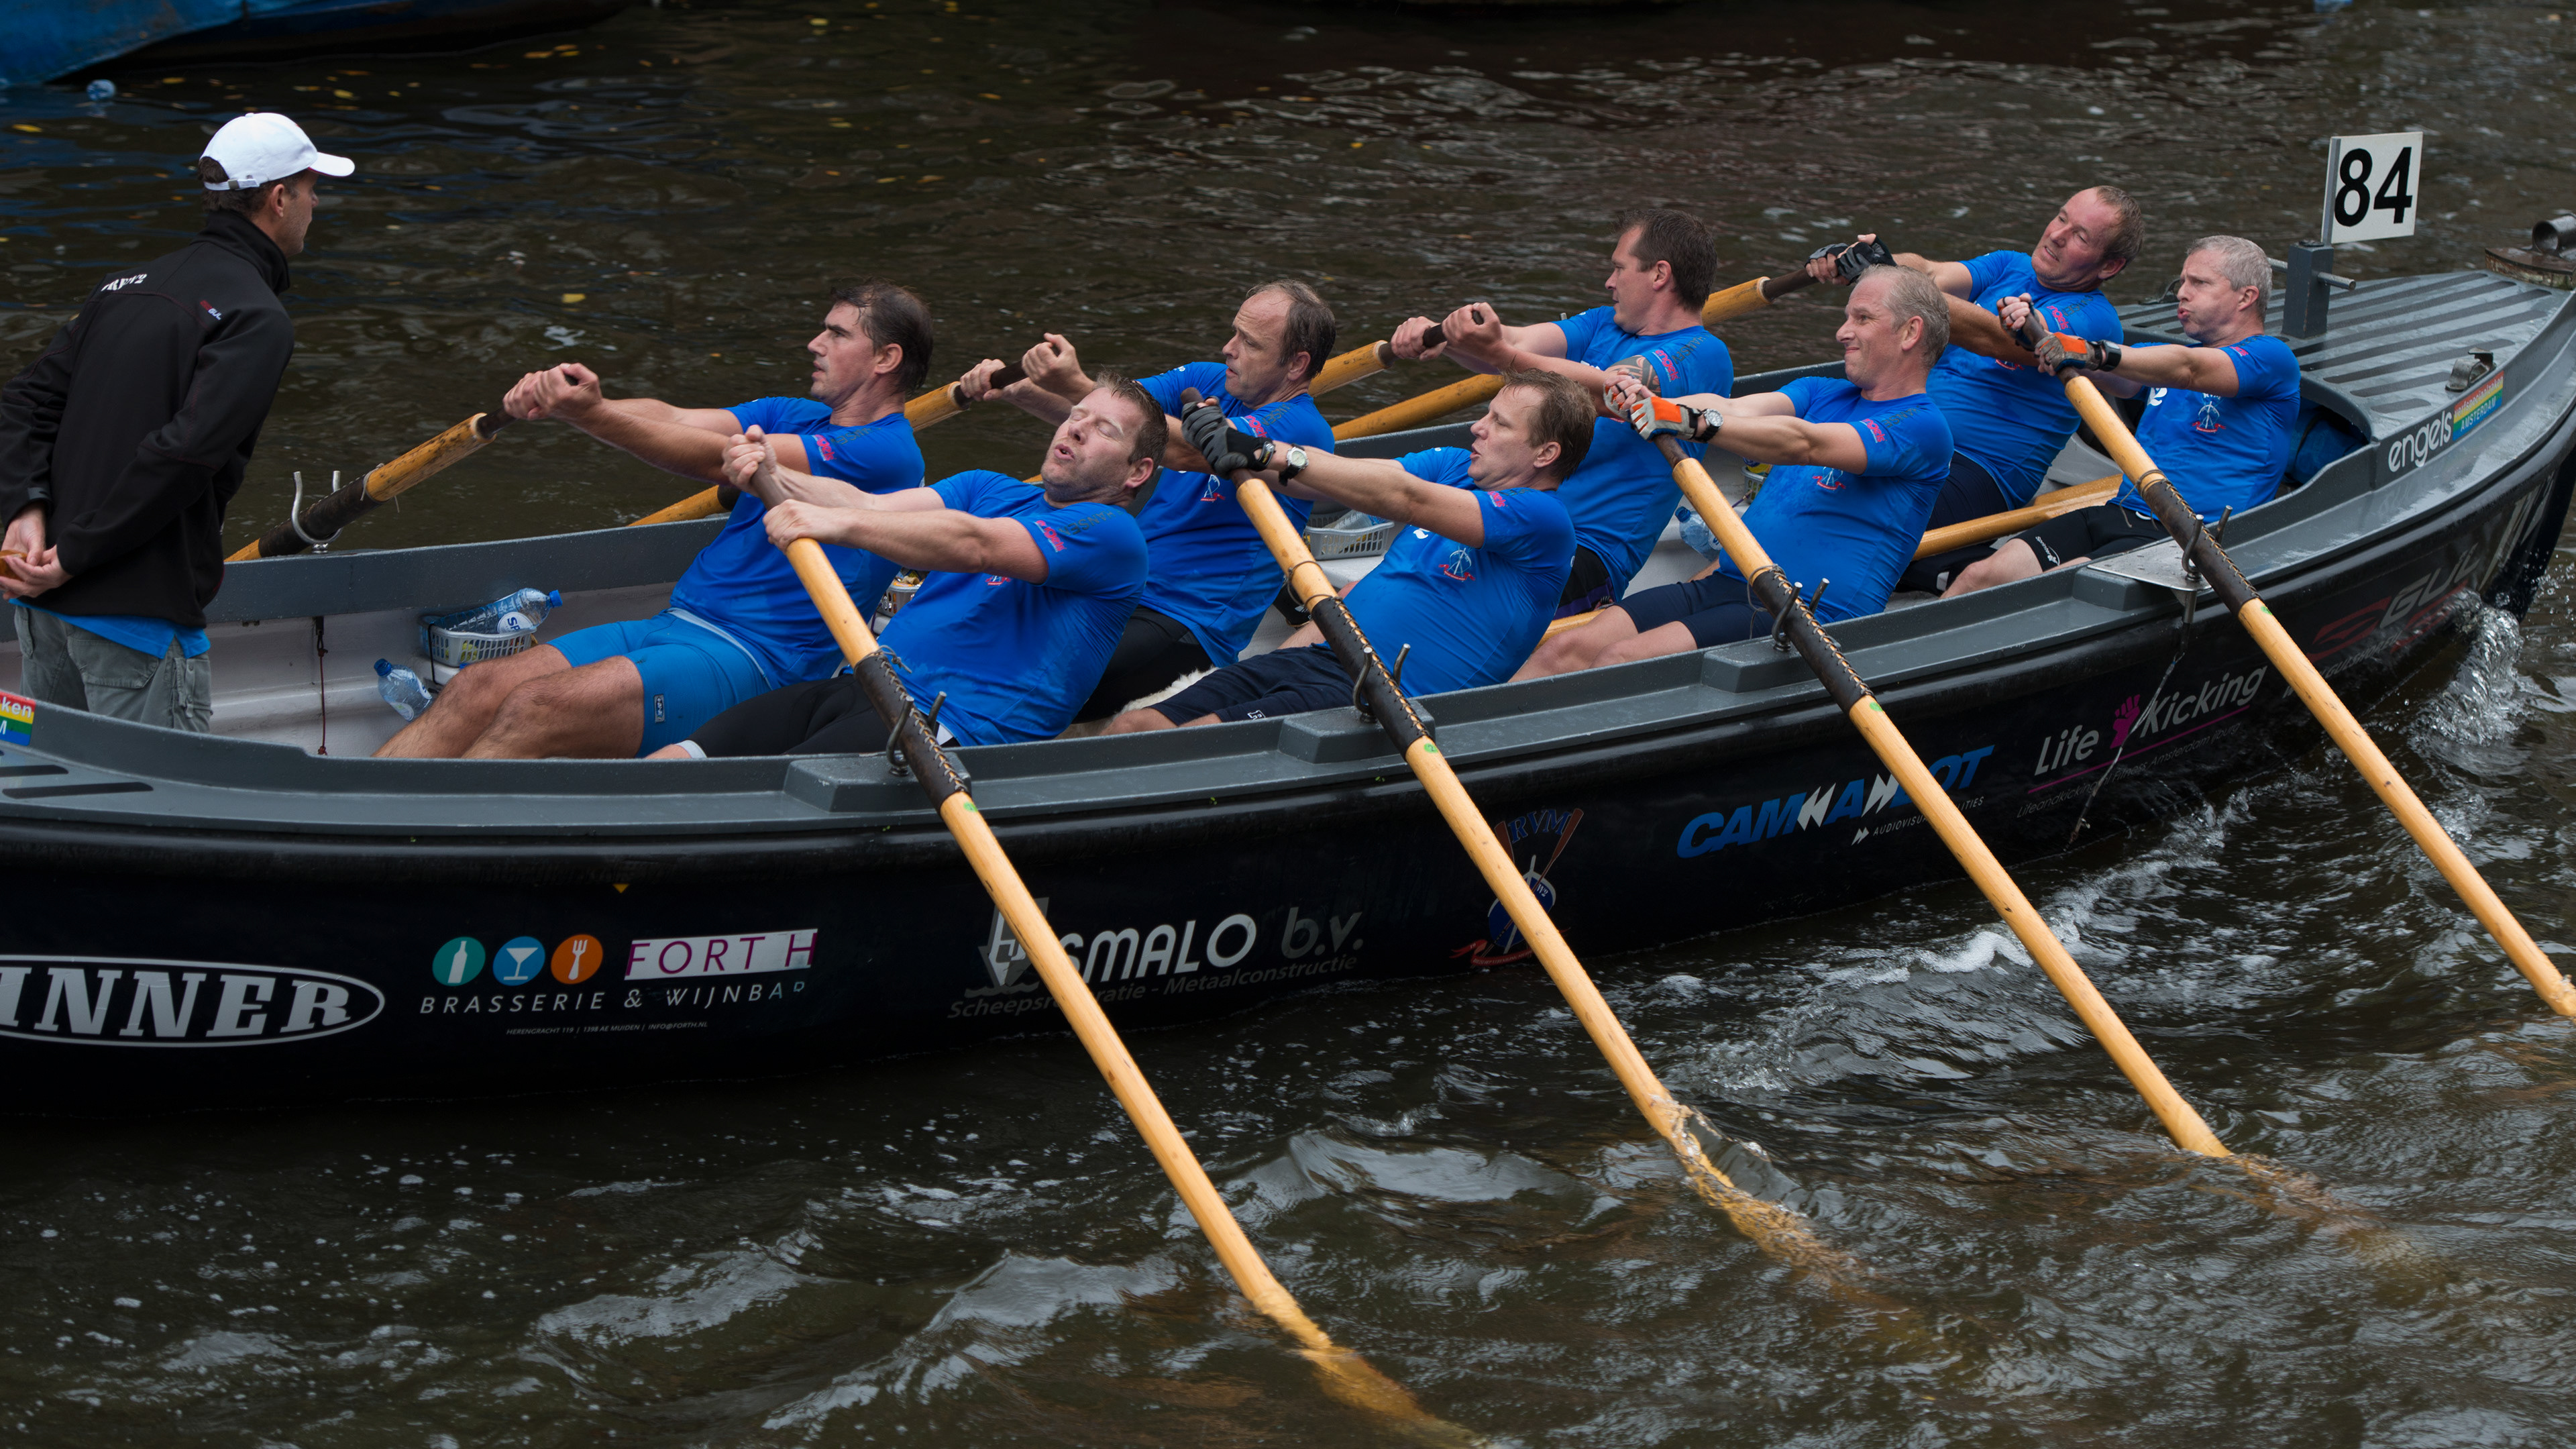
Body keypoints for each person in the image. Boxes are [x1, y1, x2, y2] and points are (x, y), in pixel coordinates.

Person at [374, 282, 932, 758]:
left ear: (885, 359)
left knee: (535, 707)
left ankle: (412, 842)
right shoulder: (795, 415)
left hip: (756, 661)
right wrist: (571, 404)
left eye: (837, 334)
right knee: (477, 688)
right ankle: (352, 809)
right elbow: (674, 419)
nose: (815, 343)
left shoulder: (887, 454)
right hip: (678, 623)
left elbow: (716, 459)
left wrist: (593, 417)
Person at [0, 113, 352, 732]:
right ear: (278, 199)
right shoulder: (256, 317)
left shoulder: (121, 287)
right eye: (309, 188)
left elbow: (22, 403)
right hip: (135, 623)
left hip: (42, 614)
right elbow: (184, 455)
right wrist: (76, 554)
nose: (315, 203)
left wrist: (26, 508)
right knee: (155, 786)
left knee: (47, 774)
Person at [654, 378, 1158, 757]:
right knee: (682, 757)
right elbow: (868, 505)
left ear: (1137, 472)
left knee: (755, 787)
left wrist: (837, 524)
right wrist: (774, 473)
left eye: (1104, 430)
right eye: (1077, 414)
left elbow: (975, 544)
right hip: (868, 683)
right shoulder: (987, 487)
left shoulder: (1113, 534)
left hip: (948, 729)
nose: (1076, 428)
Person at [1517, 266, 1953, 678]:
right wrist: (1659, 406)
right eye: (1846, 317)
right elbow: (1732, 408)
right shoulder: (1823, 392)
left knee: (1622, 660)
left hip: (1807, 617)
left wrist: (1692, 424)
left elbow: (1806, 444)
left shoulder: (1923, 426)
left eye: (1862, 318)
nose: (1842, 332)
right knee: (1563, 651)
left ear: (1910, 332)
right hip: (1732, 581)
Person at [1102, 369, 1589, 732]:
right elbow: (1337, 482)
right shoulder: (1455, 466)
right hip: (1321, 659)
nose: (1478, 427)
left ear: (1545, 454)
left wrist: (1264, 451)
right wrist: (1237, 446)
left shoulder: (1545, 521)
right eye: (1486, 414)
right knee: (1136, 726)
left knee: (1190, 739)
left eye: (1500, 423)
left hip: (1384, 700)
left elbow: (1404, 497)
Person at [955, 280, 1339, 718]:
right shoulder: (1206, 380)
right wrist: (1022, 391)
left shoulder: (1304, 431)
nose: (1228, 348)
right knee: (985, 631)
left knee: (1033, 676)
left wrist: (1076, 383)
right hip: (1120, 582)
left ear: (1296, 364)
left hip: (1187, 619)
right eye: (1234, 332)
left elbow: (1190, 450)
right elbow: (1110, 427)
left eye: (1249, 343)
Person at [1389, 208, 1733, 614]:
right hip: (1516, 513)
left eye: (1619, 268)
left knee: (1427, 606)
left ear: (1659, 275)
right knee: (1389, 588)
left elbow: (1610, 394)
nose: (1609, 282)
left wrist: (1498, 353)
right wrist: (1449, 336)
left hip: (1586, 550)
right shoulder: (1604, 323)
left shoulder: (1701, 353)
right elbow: (1515, 344)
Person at [1804, 189, 2142, 591]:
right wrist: (1869, 262)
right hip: (1912, 428)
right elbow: (1929, 272)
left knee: (1848, 518)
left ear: (2110, 266)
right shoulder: (2010, 265)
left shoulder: (2095, 319)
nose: (2056, 235)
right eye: (2061, 218)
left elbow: (1994, 338)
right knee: (1809, 487)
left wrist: (1893, 281)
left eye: (2080, 237)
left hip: (1982, 471)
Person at [1941, 236, 2298, 598]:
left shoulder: (2272, 358)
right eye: (2182, 282)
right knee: (1980, 576)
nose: (2181, 293)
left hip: (2192, 538)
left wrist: (2089, 351)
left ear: (2246, 297)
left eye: (2199, 283)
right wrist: (2035, 333)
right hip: (2121, 512)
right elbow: (2111, 371)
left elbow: (2188, 369)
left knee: (2049, 591)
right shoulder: (2161, 358)